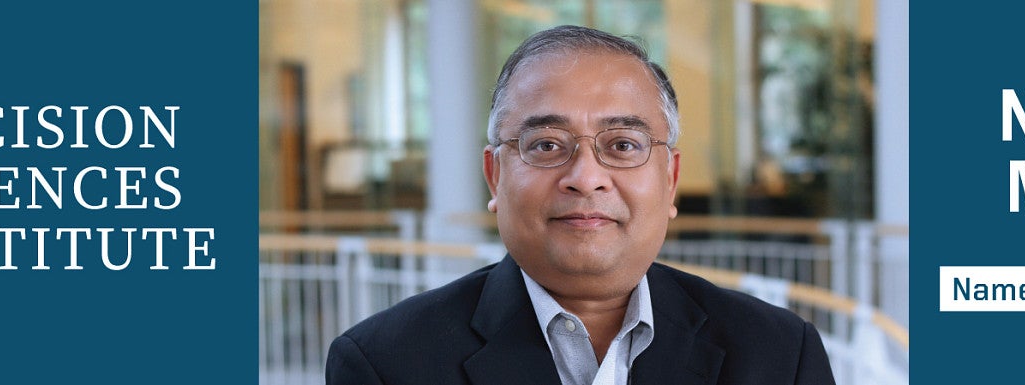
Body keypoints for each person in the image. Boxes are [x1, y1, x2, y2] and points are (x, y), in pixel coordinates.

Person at [325, 25, 835, 385]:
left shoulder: (779, 354)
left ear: (671, 179)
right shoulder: (385, 364)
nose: (586, 178)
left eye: (623, 145)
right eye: (547, 145)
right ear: (495, 175)